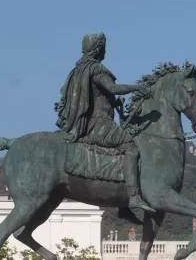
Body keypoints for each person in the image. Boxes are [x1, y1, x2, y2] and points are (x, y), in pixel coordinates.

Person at [54, 32, 155, 213]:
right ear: (99, 48)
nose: (105, 51)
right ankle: (133, 198)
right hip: (98, 124)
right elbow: (113, 88)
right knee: (131, 148)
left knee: (119, 151)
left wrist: (112, 102)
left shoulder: (77, 70)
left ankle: (123, 206)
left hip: (82, 123)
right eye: (104, 47)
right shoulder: (96, 69)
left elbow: (92, 95)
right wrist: (138, 88)